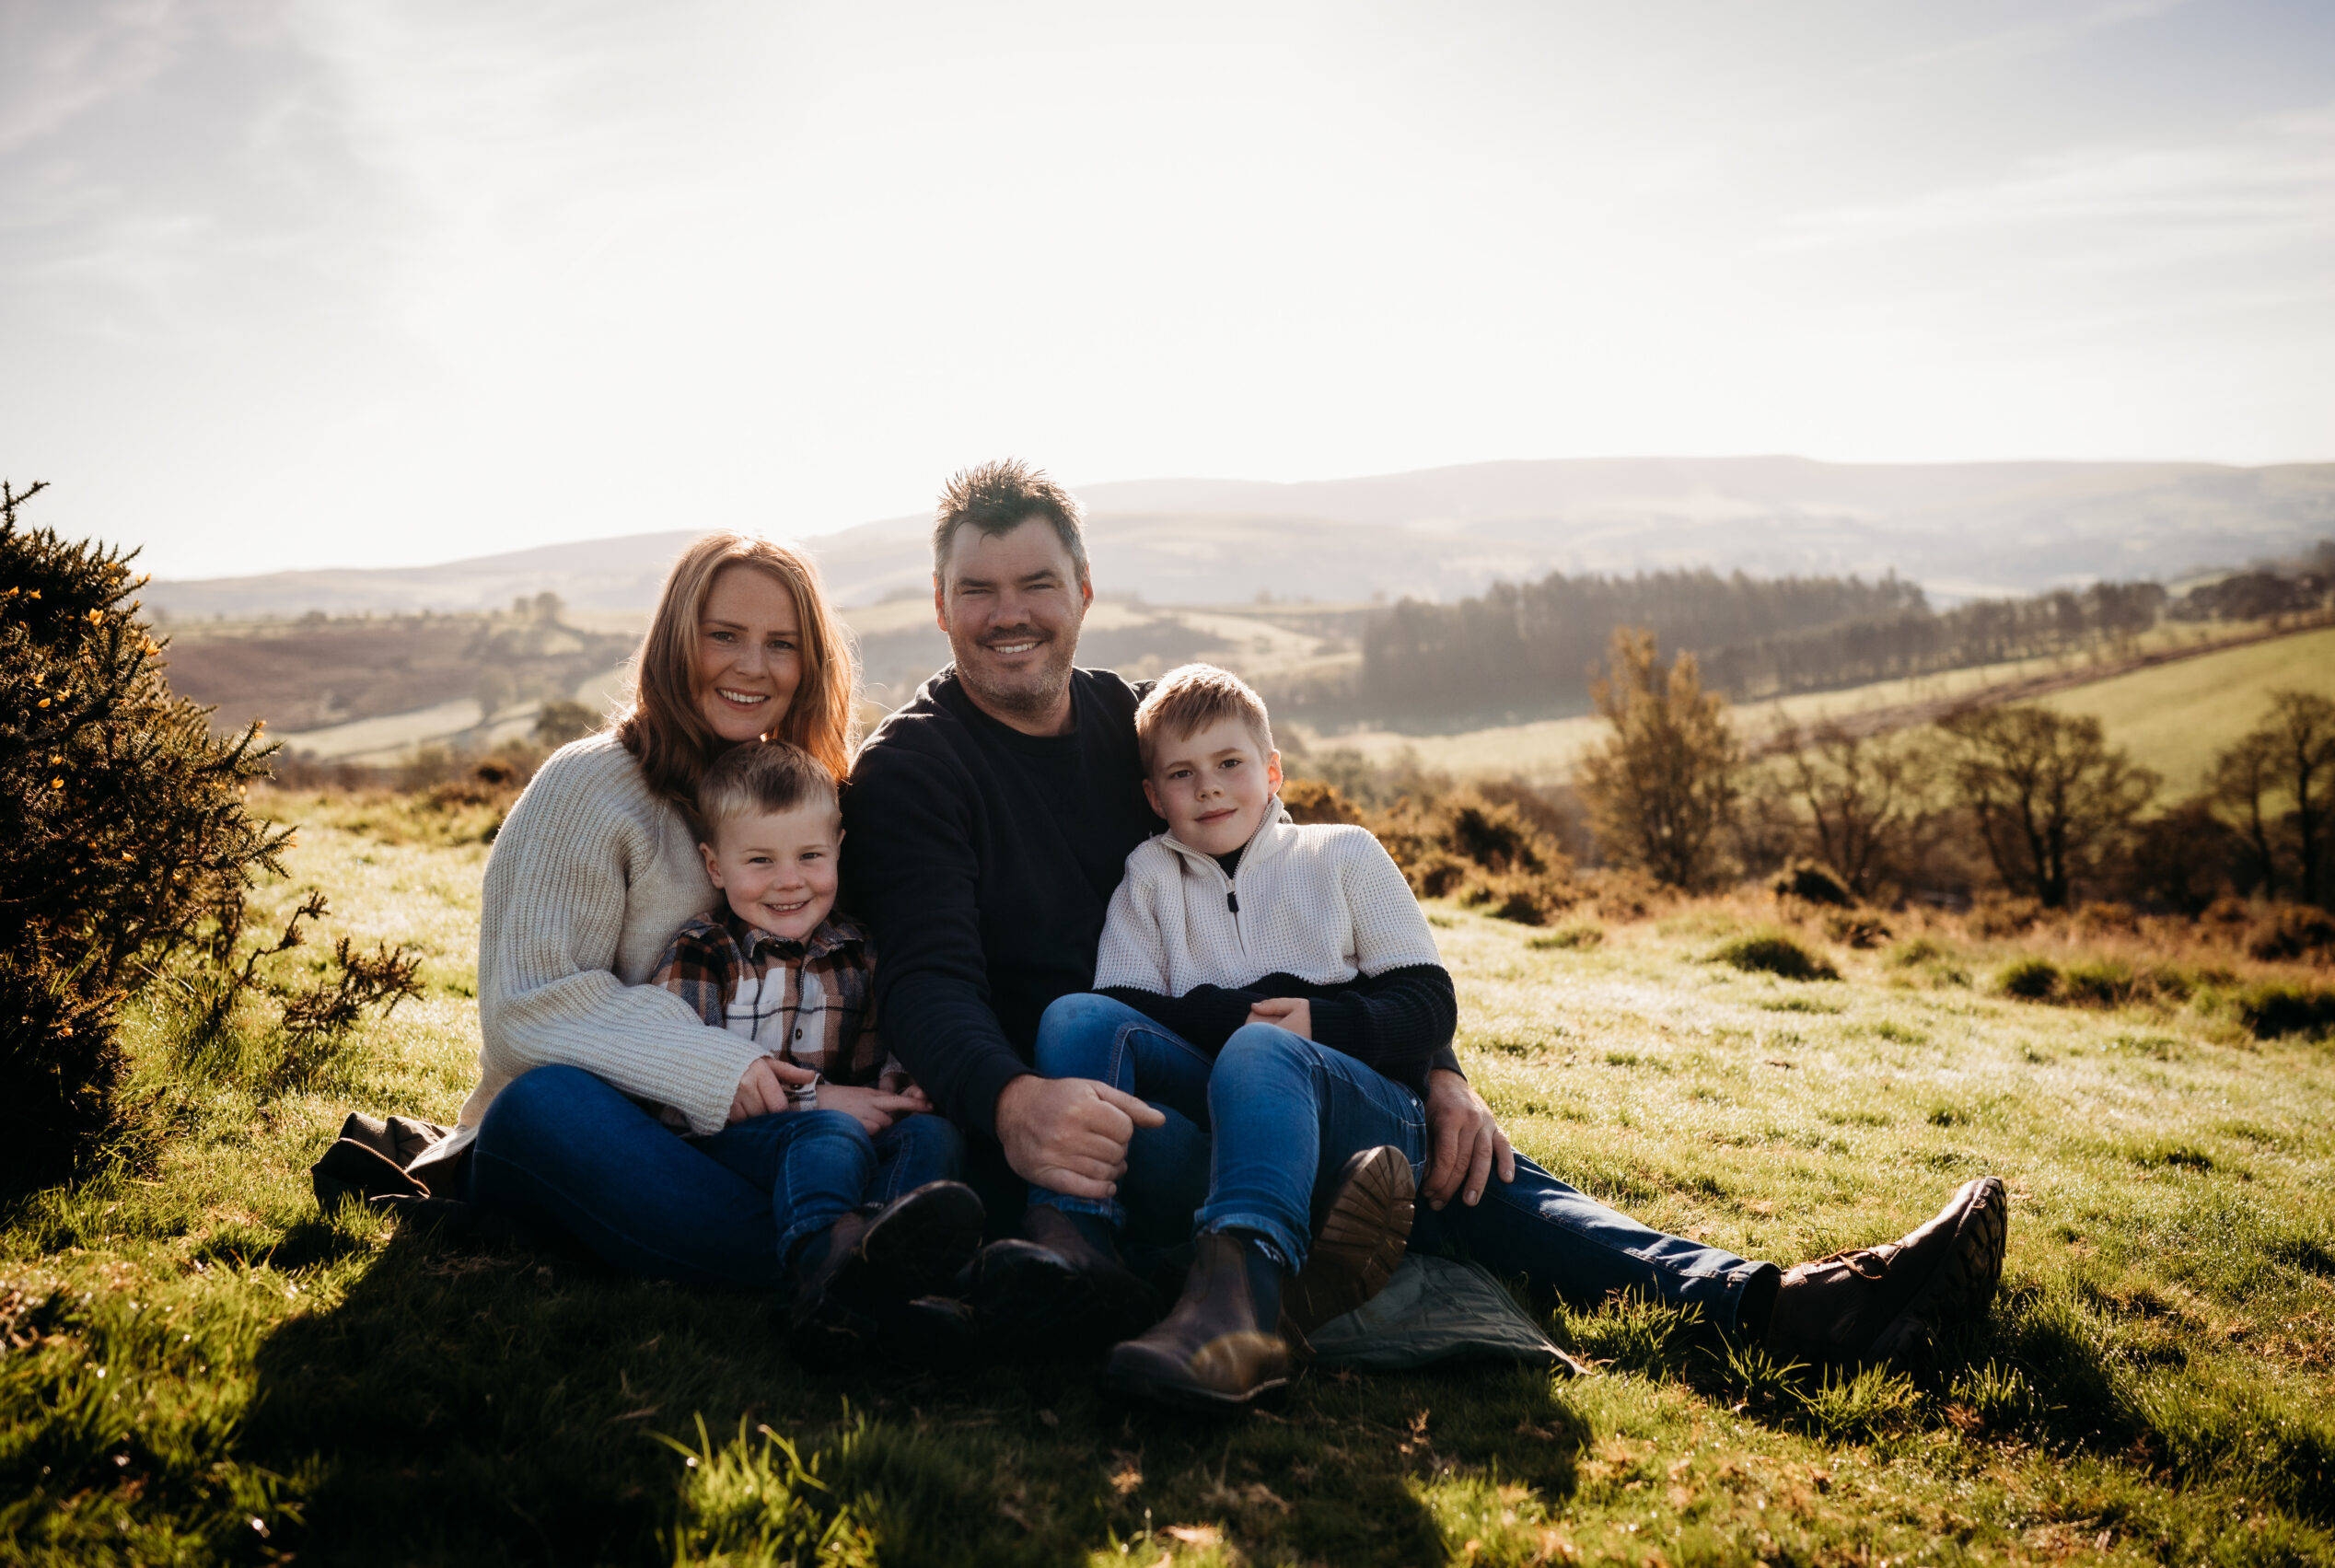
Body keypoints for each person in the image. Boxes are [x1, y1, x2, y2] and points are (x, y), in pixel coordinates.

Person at [842, 458, 2008, 1368]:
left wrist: (1438, 1066)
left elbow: (1320, 900)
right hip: (1086, 1131)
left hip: (1231, 1077)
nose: (1011, 613)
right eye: (978, 589)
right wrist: (1011, 1103)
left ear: (1082, 591)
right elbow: (930, 980)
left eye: (1037, 582)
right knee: (1394, 1161)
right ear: (939, 607)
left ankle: (1768, 1302)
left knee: (1460, 1162)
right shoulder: (916, 770)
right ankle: (1770, 1306)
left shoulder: (1133, 728)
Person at [450, 532, 959, 1304]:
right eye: (724, 634)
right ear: (675, 640)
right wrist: (725, 1071)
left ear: (810, 663)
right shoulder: (588, 787)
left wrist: (896, 1074)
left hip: (762, 1139)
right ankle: (846, 1269)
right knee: (541, 1104)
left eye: (781, 644)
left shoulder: (798, 800)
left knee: (921, 1131)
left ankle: (859, 1261)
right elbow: (526, 1008)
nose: (752, 665)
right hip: (611, 1136)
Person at [1040, 663, 1437, 1408]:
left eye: (1230, 764)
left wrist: (1319, 1019)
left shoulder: (1342, 853)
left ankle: (1242, 1308)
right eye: (1182, 775)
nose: (1209, 788)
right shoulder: (1151, 875)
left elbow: (1426, 1003)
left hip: (1368, 1122)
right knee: (1074, 1016)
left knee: (1261, 1048)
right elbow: (1124, 1004)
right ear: (1154, 797)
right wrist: (1237, 1011)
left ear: (1272, 770)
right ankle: (1076, 1243)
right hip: (1230, 1117)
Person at [650, 737, 982, 1359]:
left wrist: (900, 1085)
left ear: (839, 851)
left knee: (930, 1136)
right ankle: (822, 1266)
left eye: (810, 855)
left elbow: (880, 1050)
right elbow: (679, 1086)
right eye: (760, 861)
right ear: (716, 865)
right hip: (731, 1144)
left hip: (841, 1132)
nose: (789, 881)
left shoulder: (857, 949)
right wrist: (816, 1101)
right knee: (829, 1132)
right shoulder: (704, 951)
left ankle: (898, 1270)